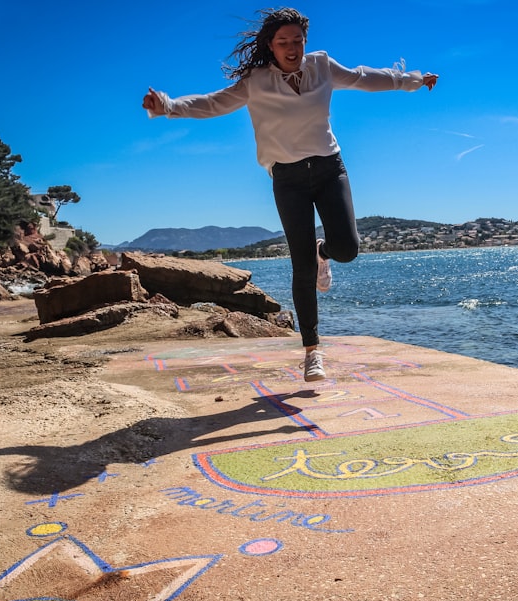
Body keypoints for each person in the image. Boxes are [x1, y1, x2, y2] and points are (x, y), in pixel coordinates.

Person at [142, 7, 438, 382]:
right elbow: (213, 103)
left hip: (330, 168)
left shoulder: (322, 66)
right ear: (271, 44)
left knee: (347, 249)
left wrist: (411, 80)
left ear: (305, 42)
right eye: (283, 41)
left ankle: (324, 252)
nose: (292, 47)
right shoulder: (256, 80)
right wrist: (168, 106)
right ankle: (312, 351)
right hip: (288, 179)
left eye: (297, 40)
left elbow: (365, 78)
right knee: (300, 268)